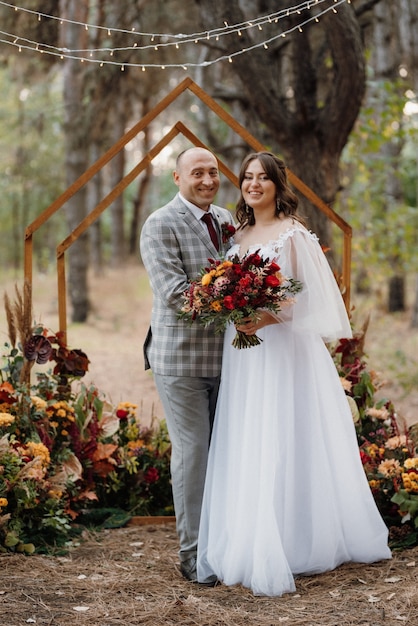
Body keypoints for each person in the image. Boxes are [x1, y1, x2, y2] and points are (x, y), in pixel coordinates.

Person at [196, 151, 391, 596]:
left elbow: (309, 300)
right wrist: (234, 310)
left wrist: (265, 318)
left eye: (263, 178)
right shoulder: (236, 232)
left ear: (278, 185)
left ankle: (297, 538)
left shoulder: (294, 235)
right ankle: (250, 533)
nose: (254, 185)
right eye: (247, 177)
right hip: (245, 352)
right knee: (250, 434)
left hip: (284, 350)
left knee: (286, 432)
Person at [139, 147, 234, 585]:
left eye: (213, 171)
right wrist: (240, 299)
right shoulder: (159, 224)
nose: (208, 179)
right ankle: (193, 554)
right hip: (181, 360)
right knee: (194, 451)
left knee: (227, 454)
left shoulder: (228, 218)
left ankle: (227, 543)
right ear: (177, 178)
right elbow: (176, 291)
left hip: (231, 360)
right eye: (197, 172)